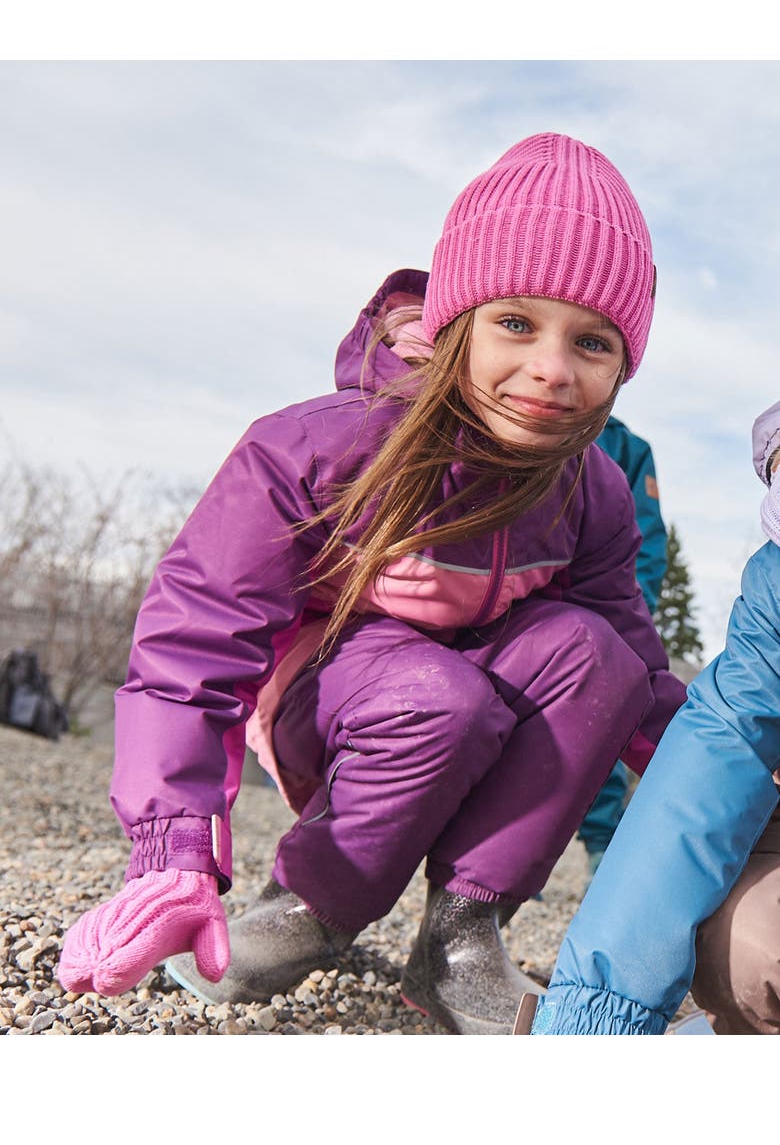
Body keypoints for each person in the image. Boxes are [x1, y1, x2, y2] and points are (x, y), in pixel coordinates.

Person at [56, 132, 687, 1035]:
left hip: (481, 708)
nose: (552, 369)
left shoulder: (596, 491)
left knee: (597, 656)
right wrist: (173, 850)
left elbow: (638, 671)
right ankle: (309, 908)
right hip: (333, 708)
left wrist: (749, 787)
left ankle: (461, 937)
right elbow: (192, 643)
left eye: (591, 341)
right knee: (439, 695)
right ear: (456, 320)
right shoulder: (317, 450)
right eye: (516, 324)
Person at [524, 400, 780, 1035]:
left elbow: (640, 550)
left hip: (595, 618)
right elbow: (721, 745)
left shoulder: (627, 452)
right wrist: (597, 1010)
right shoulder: (774, 586)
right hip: (541, 643)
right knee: (743, 948)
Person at [578, 416, 667, 876]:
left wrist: (634, 604)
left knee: (608, 722)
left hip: (610, 606)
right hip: (531, 606)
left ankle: (601, 843)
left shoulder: (628, 447)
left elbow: (648, 539)